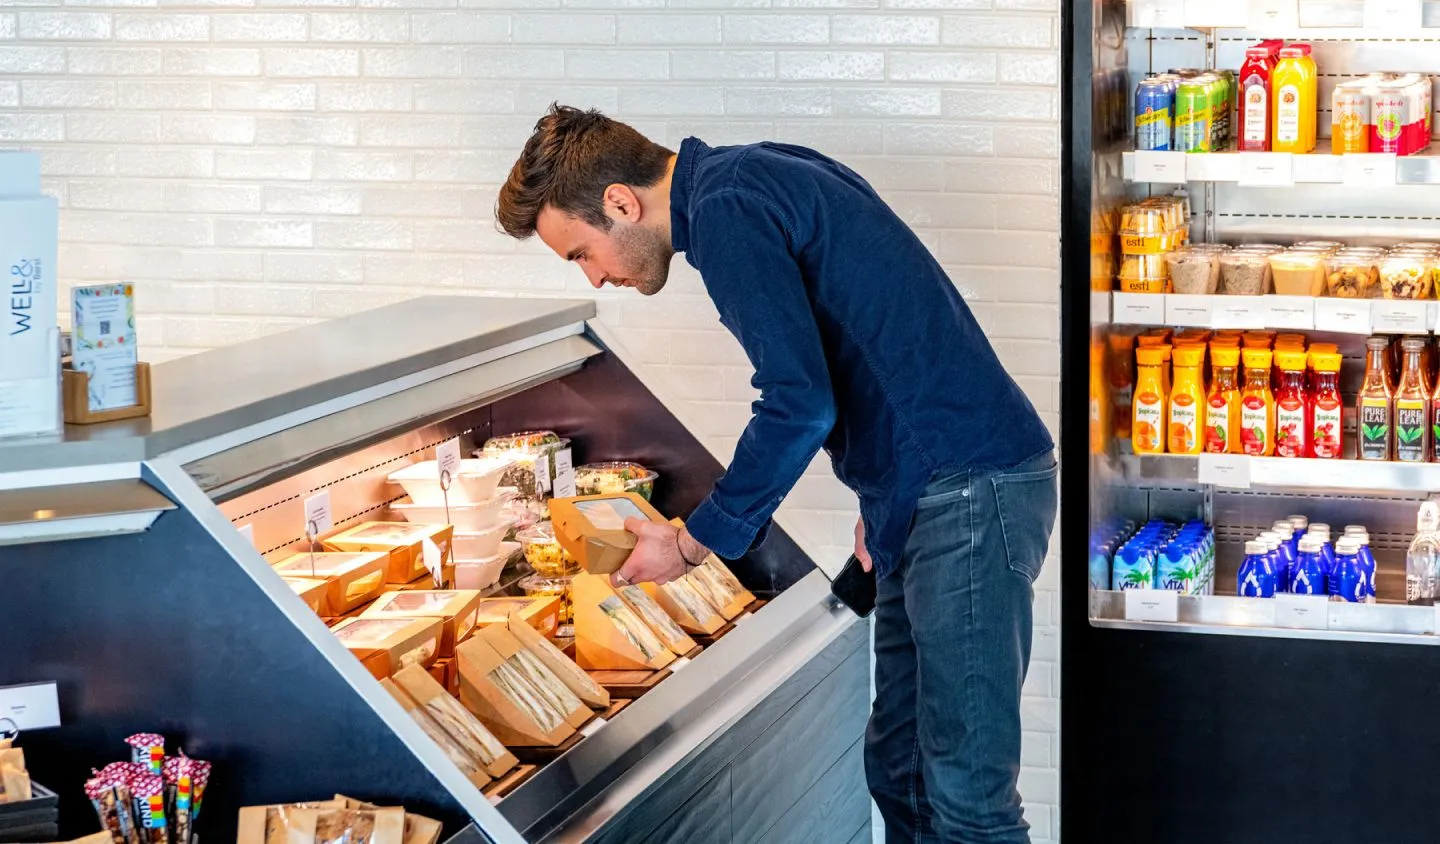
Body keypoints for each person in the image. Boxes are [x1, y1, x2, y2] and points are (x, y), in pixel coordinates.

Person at [496, 104, 1057, 844]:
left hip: (966, 494)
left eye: (580, 254)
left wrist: (696, 542)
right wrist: (886, 488)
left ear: (619, 203)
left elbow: (798, 403)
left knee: (968, 799)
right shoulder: (758, 171)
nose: (598, 278)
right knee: (903, 770)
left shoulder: (729, 211)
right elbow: (880, 329)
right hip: (929, 490)